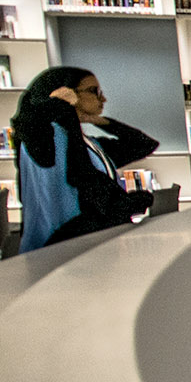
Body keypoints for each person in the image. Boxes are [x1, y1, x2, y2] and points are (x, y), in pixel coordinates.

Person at [8, 66, 156, 251]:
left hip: (93, 247)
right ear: (67, 92)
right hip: (55, 252)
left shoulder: (92, 145)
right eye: (94, 91)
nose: (103, 99)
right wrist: (60, 105)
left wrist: (97, 120)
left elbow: (144, 144)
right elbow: (28, 120)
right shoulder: (46, 138)